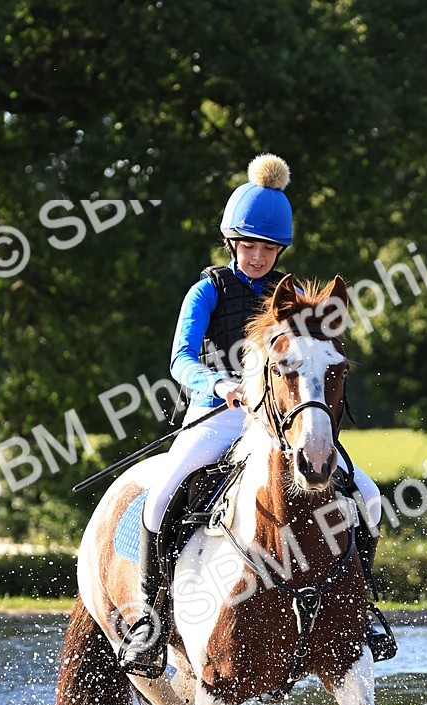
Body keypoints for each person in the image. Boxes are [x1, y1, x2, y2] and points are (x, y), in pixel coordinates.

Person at [118, 153, 394, 675]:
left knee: (371, 499)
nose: (259, 256)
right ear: (232, 243)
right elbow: (180, 358)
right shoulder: (208, 290)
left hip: (281, 421)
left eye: (269, 247)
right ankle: (150, 623)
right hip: (217, 416)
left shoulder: (289, 299)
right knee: (159, 500)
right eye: (250, 245)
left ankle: (365, 611)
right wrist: (218, 383)